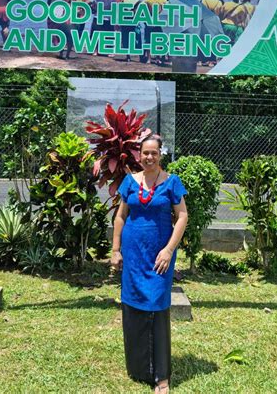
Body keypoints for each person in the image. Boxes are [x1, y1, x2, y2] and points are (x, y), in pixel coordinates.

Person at [111, 134, 188, 394]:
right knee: (133, 306)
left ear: (160, 154)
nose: (149, 157)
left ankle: (161, 376)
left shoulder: (172, 183)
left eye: (154, 153)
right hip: (133, 256)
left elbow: (182, 217)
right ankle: (138, 367)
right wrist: (115, 249)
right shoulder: (129, 182)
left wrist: (168, 250)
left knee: (156, 307)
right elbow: (121, 217)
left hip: (159, 258)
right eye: (145, 153)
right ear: (138, 155)